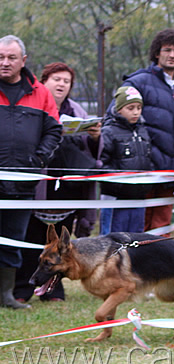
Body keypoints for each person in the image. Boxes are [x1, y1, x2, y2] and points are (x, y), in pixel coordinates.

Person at [14, 62, 101, 303]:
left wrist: (95, 137)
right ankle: (22, 289)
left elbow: (92, 152)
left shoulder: (78, 111)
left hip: (68, 188)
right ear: (44, 82)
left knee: (62, 245)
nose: (62, 84)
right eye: (56, 79)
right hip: (38, 185)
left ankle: (53, 291)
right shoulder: (32, 106)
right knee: (31, 239)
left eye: (66, 81)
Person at [0, 35, 62, 309]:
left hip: (23, 182)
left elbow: (54, 130)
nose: (5, 63)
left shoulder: (40, 93)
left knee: (13, 240)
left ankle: (6, 294)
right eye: (0, 57)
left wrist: (38, 159)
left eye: (11, 58)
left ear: (23, 61)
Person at [120, 29, 174, 234]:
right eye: (167, 50)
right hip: (144, 172)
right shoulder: (138, 82)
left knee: (162, 232)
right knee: (138, 231)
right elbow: (119, 121)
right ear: (157, 53)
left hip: (171, 173)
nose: (172, 55)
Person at [99, 86, 152, 233]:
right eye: (130, 108)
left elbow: (148, 159)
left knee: (135, 240)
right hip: (116, 198)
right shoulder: (108, 132)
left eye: (139, 107)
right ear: (119, 109)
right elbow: (101, 164)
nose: (136, 112)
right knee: (111, 241)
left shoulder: (143, 131)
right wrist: (119, 183)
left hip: (138, 197)